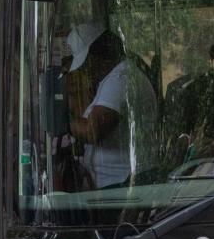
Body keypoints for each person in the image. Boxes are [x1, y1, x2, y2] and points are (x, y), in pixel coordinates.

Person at [64, 23, 158, 189]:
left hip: (122, 185)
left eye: (86, 63)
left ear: (98, 55)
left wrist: (63, 122)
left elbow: (93, 131)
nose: (86, 70)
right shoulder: (114, 77)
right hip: (114, 182)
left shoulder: (121, 78)